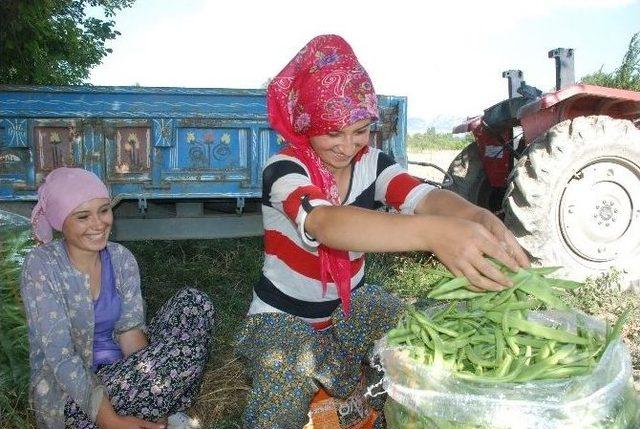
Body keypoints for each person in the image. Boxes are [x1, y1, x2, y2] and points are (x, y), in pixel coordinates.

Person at [235, 34, 530, 428]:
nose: (346, 146)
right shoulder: (285, 168)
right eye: (332, 132)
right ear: (307, 125)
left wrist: (473, 215)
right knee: (285, 375)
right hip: (278, 317)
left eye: (359, 130)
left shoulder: (373, 163)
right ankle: (335, 377)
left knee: (419, 338)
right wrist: (431, 235)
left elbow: (424, 197)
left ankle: (353, 388)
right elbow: (326, 223)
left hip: (347, 306)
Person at [21, 167, 215, 429]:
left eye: (103, 210)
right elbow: (61, 358)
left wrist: (152, 389)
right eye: (82, 216)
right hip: (72, 395)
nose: (99, 224)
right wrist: (110, 420)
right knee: (185, 354)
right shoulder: (42, 265)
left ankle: (156, 408)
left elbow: (130, 331)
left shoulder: (120, 257)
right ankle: (143, 413)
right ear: (60, 221)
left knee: (194, 303)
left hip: (125, 373)